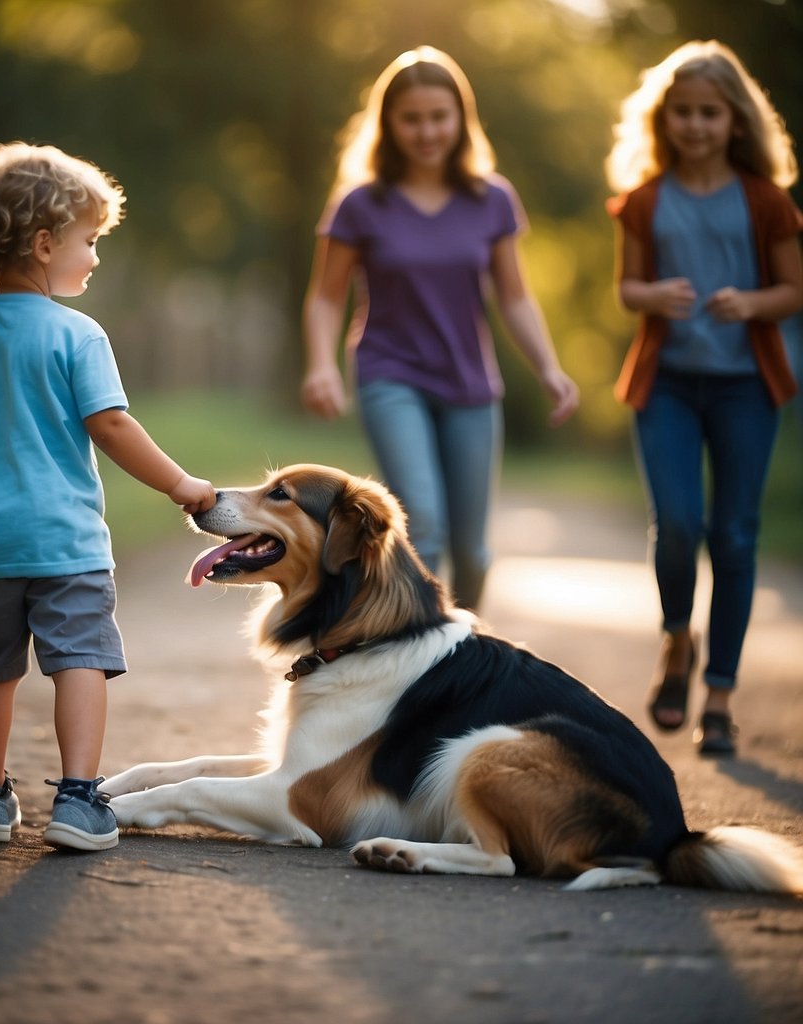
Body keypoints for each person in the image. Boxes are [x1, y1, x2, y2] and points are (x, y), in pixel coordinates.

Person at [0, 142, 216, 849]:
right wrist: (181, 485)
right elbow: (112, 425)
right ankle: (75, 800)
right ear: (44, 244)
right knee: (80, 661)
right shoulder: (79, 333)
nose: (95, 257)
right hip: (65, 541)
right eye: (89, 242)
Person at [300, 46, 579, 610]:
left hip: (469, 382)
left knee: (472, 551)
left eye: (438, 117)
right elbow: (326, 298)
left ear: (460, 119)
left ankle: (465, 656)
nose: (426, 131)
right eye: (411, 118)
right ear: (388, 123)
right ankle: (417, 658)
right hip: (389, 373)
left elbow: (515, 297)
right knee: (421, 525)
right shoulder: (360, 204)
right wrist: (322, 364)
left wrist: (550, 368)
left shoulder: (491, 199)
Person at [605, 40, 802, 756]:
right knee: (680, 524)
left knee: (737, 536)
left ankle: (719, 695)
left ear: (736, 119)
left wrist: (750, 303)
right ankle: (675, 641)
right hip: (668, 389)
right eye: (682, 112)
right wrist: (652, 294)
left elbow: (793, 291)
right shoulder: (645, 201)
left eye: (709, 113)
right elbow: (627, 288)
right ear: (663, 120)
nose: (694, 125)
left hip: (747, 387)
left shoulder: (765, 201)